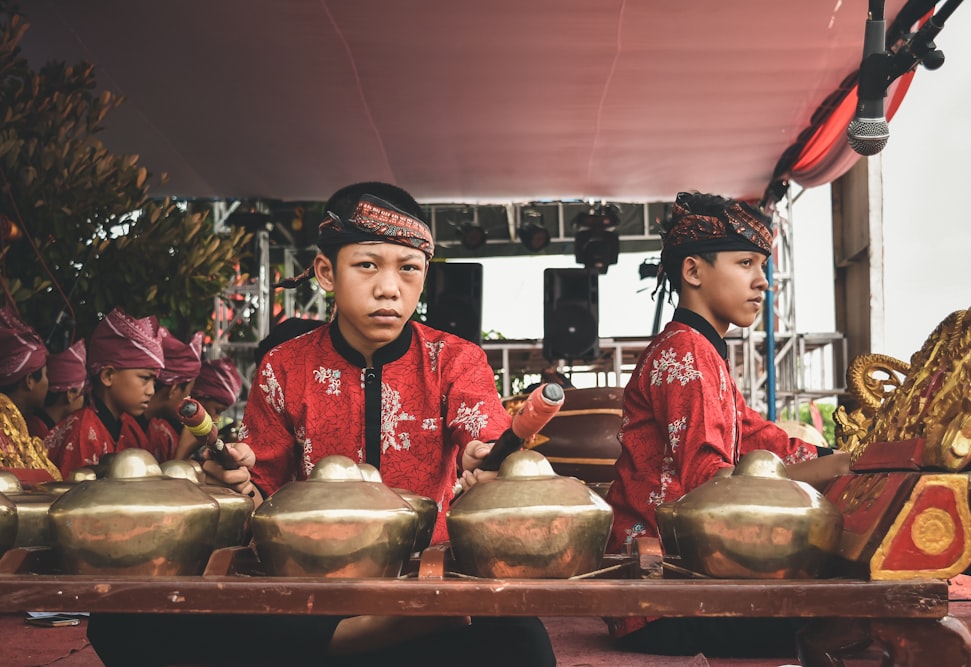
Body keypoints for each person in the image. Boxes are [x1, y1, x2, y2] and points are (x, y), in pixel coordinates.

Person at [87, 182, 556, 667]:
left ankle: (357, 640)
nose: (390, 288)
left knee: (524, 647)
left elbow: (483, 433)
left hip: (426, 581)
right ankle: (366, 636)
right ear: (326, 271)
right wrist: (234, 479)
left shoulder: (454, 359)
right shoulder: (285, 366)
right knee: (124, 621)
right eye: (368, 265)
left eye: (409, 269)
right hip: (313, 584)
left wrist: (488, 460)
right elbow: (261, 490)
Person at [603, 191, 850, 658]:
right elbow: (709, 484)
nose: (763, 282)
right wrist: (836, 467)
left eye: (763, 266)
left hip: (677, 584)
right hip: (663, 598)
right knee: (836, 614)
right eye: (746, 263)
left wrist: (842, 460)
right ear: (693, 271)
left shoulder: (702, 350)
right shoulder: (685, 353)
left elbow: (757, 437)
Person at [46, 307, 164, 478]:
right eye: (145, 378)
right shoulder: (81, 433)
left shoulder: (132, 429)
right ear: (108, 376)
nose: (152, 391)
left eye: (154, 381)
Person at [0, 306, 61, 481]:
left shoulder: (20, 426)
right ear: (29, 381)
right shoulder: (5, 429)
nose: (49, 383)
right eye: (46, 375)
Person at [140, 328, 203, 461]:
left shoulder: (153, 427)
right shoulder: (130, 428)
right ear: (173, 390)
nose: (189, 400)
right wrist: (183, 452)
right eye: (188, 393)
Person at [172, 356, 243, 459]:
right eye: (217, 411)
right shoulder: (164, 432)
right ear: (199, 397)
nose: (217, 419)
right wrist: (184, 450)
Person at [26, 339, 88, 440]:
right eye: (83, 393)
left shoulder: (40, 425)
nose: (83, 400)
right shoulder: (38, 432)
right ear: (70, 394)